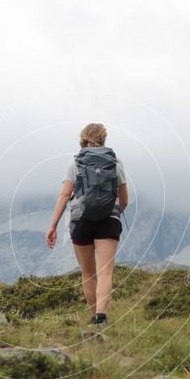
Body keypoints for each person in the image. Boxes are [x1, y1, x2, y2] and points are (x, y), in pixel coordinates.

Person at [46, 123, 128, 326]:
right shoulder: (115, 162)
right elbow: (124, 197)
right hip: (109, 220)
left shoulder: (75, 162)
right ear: (104, 139)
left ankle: (93, 316)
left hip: (80, 219)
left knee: (88, 272)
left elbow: (65, 195)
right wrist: (115, 212)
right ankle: (101, 315)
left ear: (82, 139)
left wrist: (53, 226)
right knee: (105, 271)